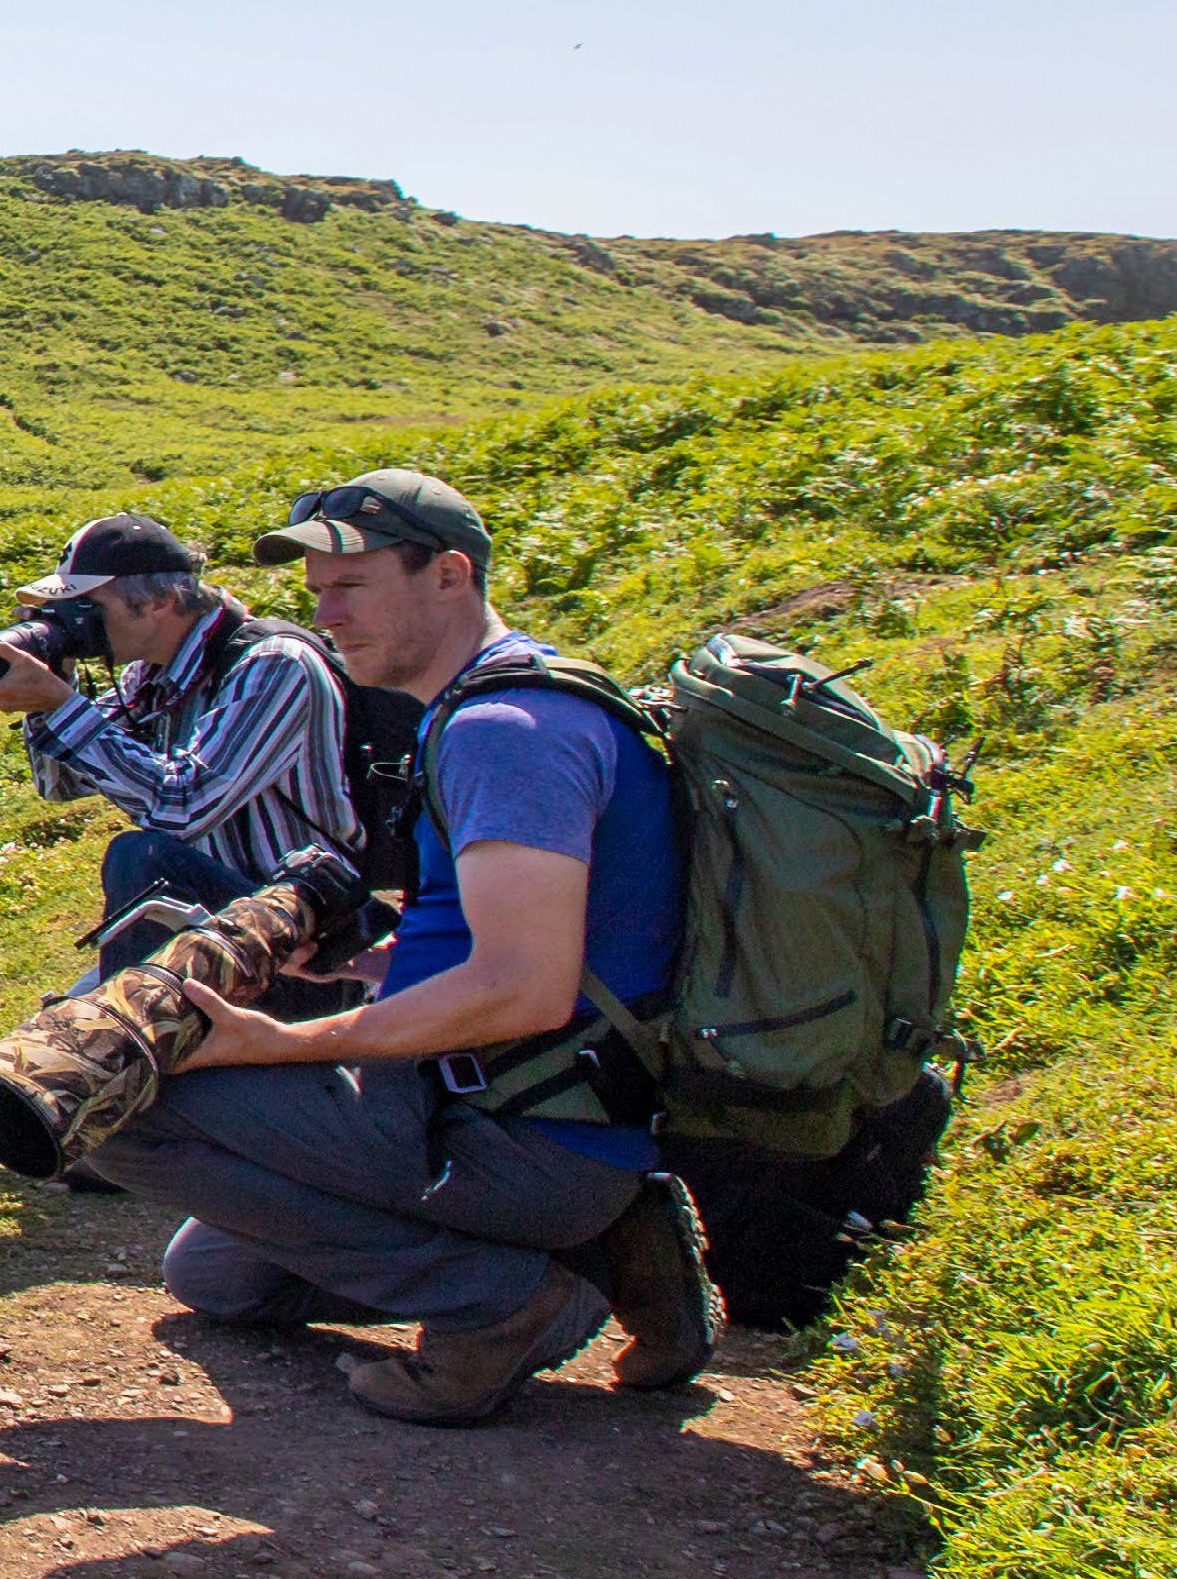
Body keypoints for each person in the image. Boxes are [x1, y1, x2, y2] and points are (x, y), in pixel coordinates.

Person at [72, 468, 718, 1425]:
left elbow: (522, 991)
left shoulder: (506, 733)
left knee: (111, 1103)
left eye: (352, 586)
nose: (324, 615)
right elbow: (543, 938)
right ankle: (607, 1251)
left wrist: (285, 1044)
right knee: (216, 1275)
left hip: (514, 1124)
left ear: (451, 575)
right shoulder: (495, 705)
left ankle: (500, 1302)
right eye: (318, 591)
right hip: (505, 1101)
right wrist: (372, 966)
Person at [0, 513, 356, 952]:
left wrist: (63, 707)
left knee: (142, 858)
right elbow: (60, 784)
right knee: (145, 873)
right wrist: (50, 690)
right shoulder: (149, 675)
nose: (76, 625)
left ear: (159, 602)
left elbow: (183, 806)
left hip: (310, 931)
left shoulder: (273, 664)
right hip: (231, 920)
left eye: (87, 608)